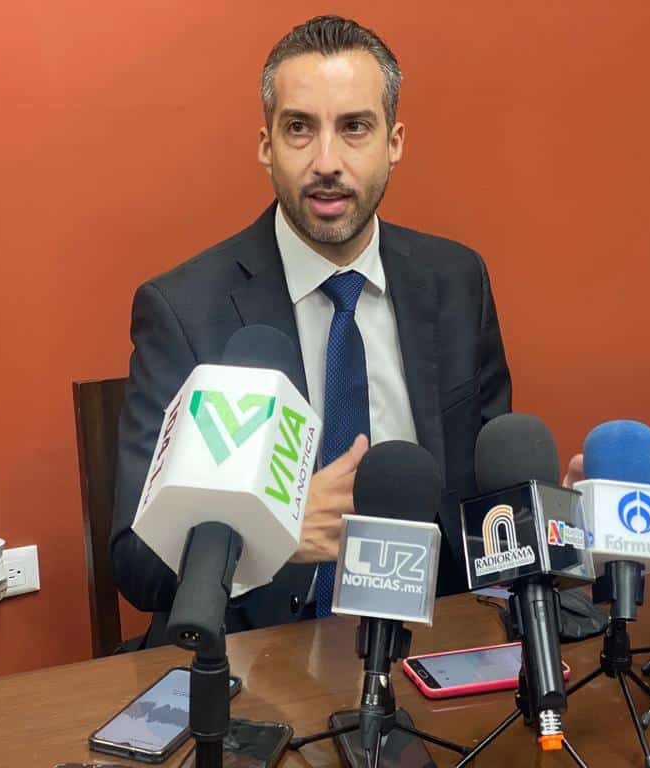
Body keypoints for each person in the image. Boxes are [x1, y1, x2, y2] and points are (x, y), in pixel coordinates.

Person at [111, 15, 518, 644]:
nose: (327, 162)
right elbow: (137, 563)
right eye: (300, 128)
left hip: (431, 642)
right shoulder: (185, 311)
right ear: (266, 145)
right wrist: (269, 536)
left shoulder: (456, 280)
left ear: (394, 142)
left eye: (355, 127)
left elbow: (492, 496)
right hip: (255, 654)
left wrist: (546, 517)